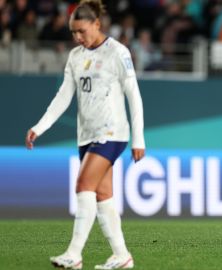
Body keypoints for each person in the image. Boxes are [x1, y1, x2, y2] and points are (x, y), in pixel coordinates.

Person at [25, 0, 145, 269]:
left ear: (97, 24)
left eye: (82, 31)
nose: (77, 37)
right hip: (86, 135)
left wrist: (138, 138)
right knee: (103, 196)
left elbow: (134, 96)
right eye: (73, 32)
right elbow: (63, 97)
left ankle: (74, 254)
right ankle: (121, 256)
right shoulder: (76, 57)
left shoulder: (117, 52)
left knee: (83, 186)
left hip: (112, 132)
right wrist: (39, 126)